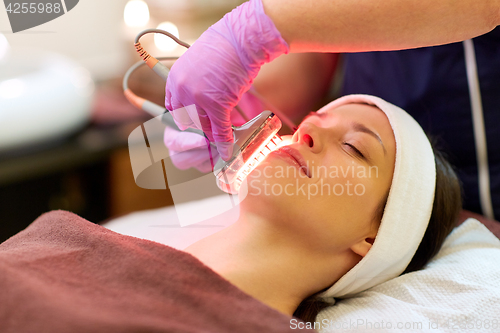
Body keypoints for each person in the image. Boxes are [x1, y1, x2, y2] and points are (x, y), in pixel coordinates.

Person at [0, 95, 461, 331]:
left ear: (374, 238)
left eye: (354, 147)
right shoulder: (65, 234)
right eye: (308, 123)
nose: (302, 135)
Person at [163, 0, 500, 219]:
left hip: (475, 197)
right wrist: (245, 100)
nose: (304, 132)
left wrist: (251, 34)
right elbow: (320, 44)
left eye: (351, 146)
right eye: (316, 118)